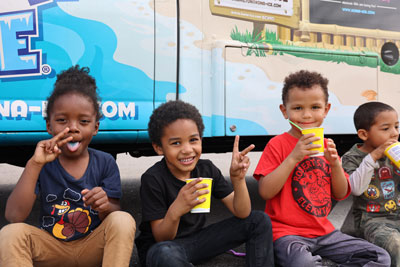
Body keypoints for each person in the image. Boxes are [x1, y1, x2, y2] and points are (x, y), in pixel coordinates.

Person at [0, 65, 136, 267]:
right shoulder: (42, 164)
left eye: (83, 121)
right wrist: (33, 165)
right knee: (10, 233)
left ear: (95, 127)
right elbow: (14, 215)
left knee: (123, 220)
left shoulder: (105, 162)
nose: (72, 128)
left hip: (93, 249)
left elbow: (114, 213)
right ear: (49, 126)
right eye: (62, 120)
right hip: (52, 249)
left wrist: (105, 205)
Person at [253, 70, 391, 267]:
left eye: (315, 107)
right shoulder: (277, 144)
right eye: (298, 108)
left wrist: (335, 164)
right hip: (286, 233)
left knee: (380, 257)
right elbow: (265, 191)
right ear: (285, 111)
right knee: (301, 262)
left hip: (325, 232)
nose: (307, 114)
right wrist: (293, 157)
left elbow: (341, 192)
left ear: (326, 110)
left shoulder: (327, 145)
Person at [135, 100, 274, 267]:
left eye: (193, 140)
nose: (187, 149)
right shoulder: (153, 178)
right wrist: (176, 209)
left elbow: (242, 213)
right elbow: (162, 238)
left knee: (259, 220)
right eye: (176, 143)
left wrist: (238, 179)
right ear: (159, 148)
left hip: (197, 242)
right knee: (166, 254)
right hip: (163, 248)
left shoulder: (206, 169)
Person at [342, 101, 400, 266]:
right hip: (373, 219)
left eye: (397, 127)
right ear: (364, 134)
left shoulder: (395, 153)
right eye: (385, 128)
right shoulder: (352, 158)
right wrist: (373, 157)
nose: (394, 133)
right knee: (394, 243)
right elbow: (356, 188)